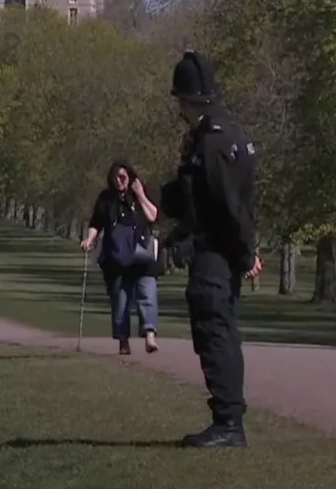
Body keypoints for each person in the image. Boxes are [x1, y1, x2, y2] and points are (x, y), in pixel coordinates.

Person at [159, 50, 261, 448]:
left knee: (215, 331)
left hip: (216, 252)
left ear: (189, 101)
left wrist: (246, 254)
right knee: (216, 331)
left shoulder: (215, 143)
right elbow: (195, 195)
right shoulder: (221, 136)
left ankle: (229, 424)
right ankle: (227, 420)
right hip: (218, 250)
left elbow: (228, 208)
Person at [81, 160, 161, 355]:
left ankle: (150, 336)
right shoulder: (106, 198)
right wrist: (90, 239)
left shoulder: (139, 194)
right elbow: (96, 222)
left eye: (122, 177)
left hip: (143, 256)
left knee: (148, 295)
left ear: (130, 177)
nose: (119, 181)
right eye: (115, 177)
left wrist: (140, 194)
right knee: (121, 301)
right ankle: (123, 340)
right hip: (117, 257)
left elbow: (153, 216)